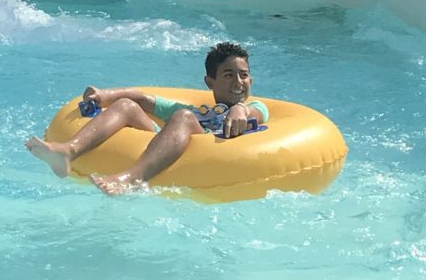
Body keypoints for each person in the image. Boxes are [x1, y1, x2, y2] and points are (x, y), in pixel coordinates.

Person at [25, 41, 269, 195]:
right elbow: (142, 99)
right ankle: (68, 151)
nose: (238, 82)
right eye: (228, 75)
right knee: (126, 106)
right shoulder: (197, 111)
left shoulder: (255, 107)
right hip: (174, 138)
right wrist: (104, 95)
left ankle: (130, 178)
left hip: (208, 147)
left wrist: (240, 110)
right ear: (210, 82)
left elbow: (254, 112)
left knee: (182, 117)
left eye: (244, 75)